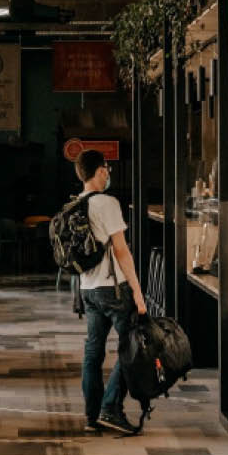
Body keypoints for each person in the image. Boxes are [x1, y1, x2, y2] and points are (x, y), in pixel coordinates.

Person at [74, 149, 147, 436]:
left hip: (87, 289)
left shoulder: (75, 205)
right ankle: (111, 408)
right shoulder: (108, 203)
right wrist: (138, 293)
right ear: (101, 171)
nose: (108, 175)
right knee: (134, 349)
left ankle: (92, 417)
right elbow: (121, 250)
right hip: (114, 288)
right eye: (106, 170)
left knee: (93, 353)